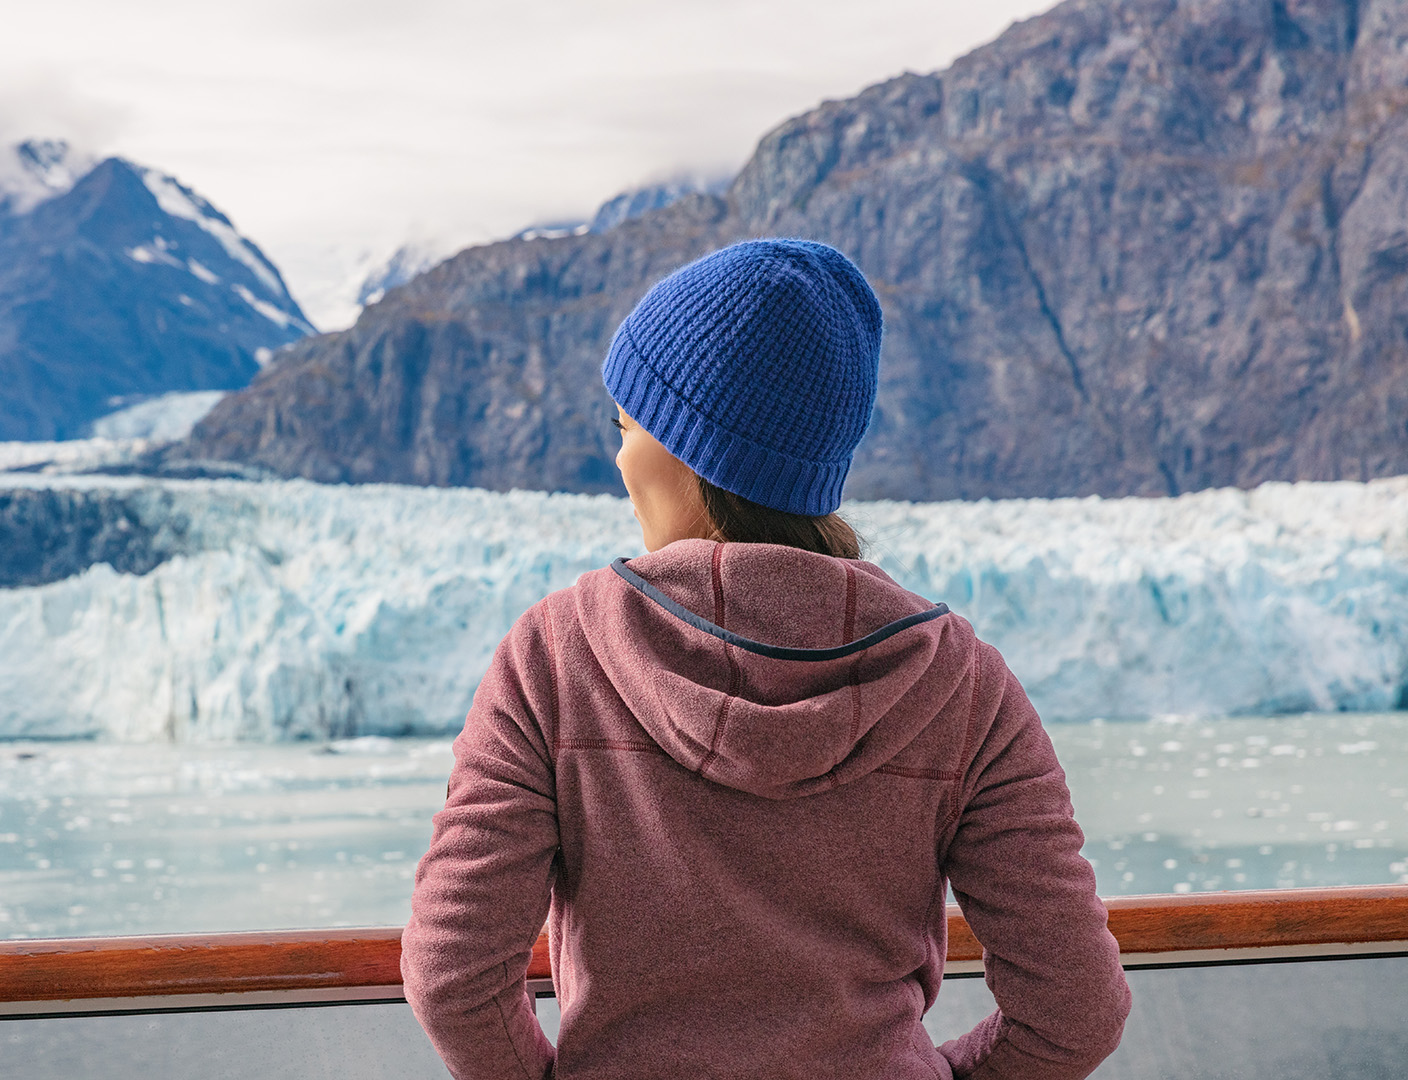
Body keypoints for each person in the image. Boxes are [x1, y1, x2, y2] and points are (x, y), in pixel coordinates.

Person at [401, 239, 1130, 1079]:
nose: (618, 457)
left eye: (627, 425)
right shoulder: (960, 683)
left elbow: (452, 975)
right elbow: (1078, 1008)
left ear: (686, 446)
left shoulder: (554, 658)